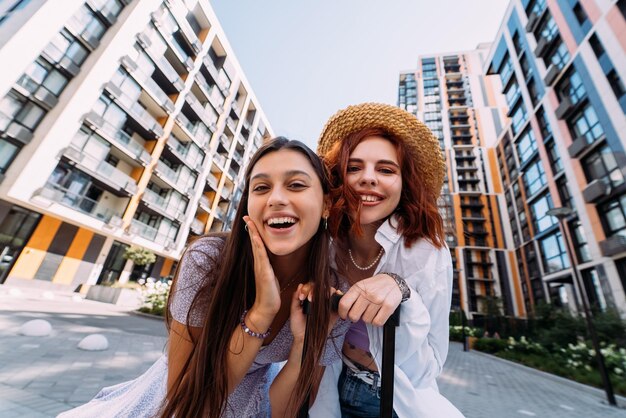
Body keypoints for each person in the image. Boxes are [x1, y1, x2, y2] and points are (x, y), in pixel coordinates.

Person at [59, 137, 347, 418]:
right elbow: (187, 406)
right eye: (261, 188)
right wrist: (262, 312)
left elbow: (283, 411)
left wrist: (304, 344)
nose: (276, 199)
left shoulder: (330, 293)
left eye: (296, 185)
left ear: (325, 205)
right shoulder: (208, 260)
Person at [310, 103, 464, 418]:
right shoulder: (322, 243)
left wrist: (400, 291)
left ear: (404, 182)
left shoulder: (426, 252)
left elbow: (431, 365)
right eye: (354, 168)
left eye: (386, 169)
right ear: (338, 179)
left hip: (388, 399)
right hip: (323, 387)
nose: (368, 179)